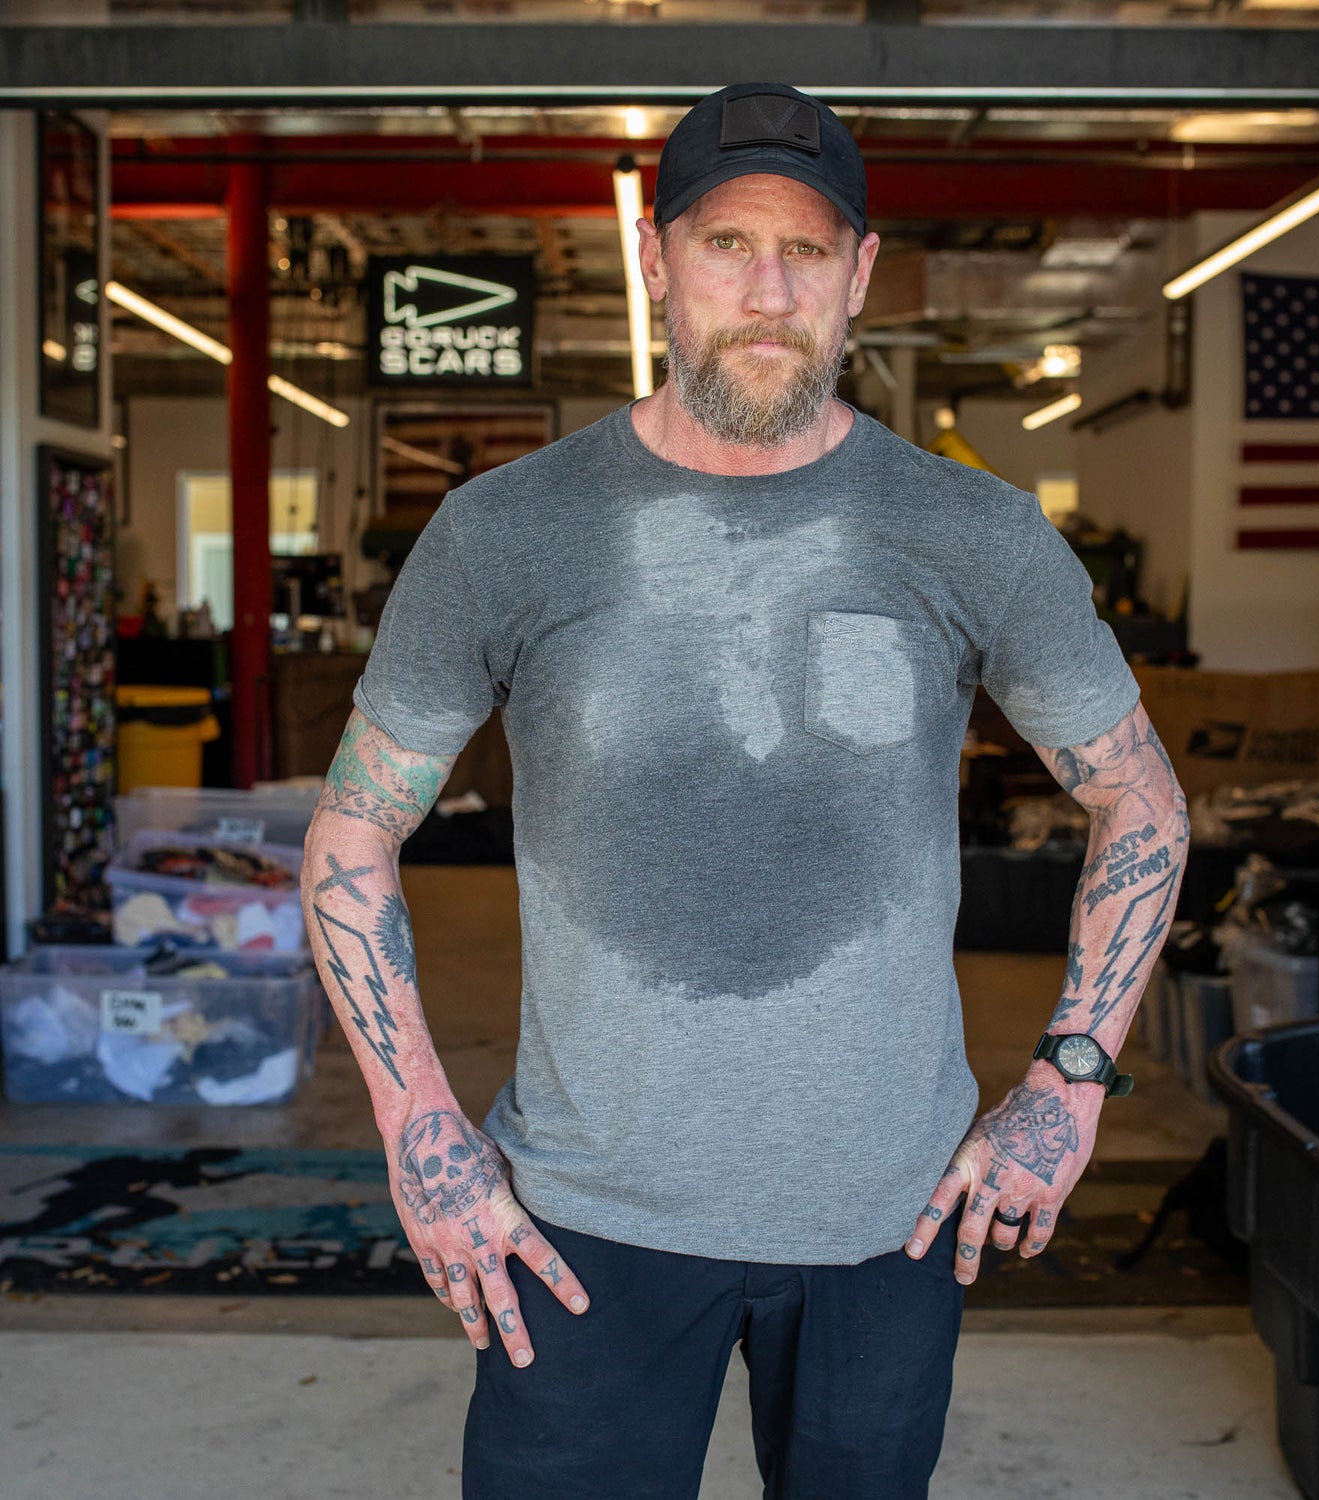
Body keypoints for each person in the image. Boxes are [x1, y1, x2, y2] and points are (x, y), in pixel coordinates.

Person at [301, 80, 1188, 1500]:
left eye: (806, 250)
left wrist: (1070, 1081)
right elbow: (355, 829)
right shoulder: (504, 533)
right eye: (726, 243)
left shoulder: (973, 532)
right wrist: (419, 1129)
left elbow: (1142, 799)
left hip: (889, 1222)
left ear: (861, 275)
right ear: (656, 261)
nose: (768, 292)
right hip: (580, 1221)